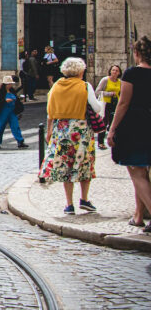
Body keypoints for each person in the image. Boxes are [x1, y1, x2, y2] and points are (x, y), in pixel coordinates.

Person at [40, 57, 102, 215]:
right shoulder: (85, 86)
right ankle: (84, 199)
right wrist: (102, 103)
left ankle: (69, 204)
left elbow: (50, 112)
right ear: (81, 71)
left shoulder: (56, 86)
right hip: (81, 131)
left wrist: (49, 132)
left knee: (65, 166)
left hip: (62, 130)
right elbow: (95, 108)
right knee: (84, 164)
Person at [107, 37, 151, 233]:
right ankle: (138, 216)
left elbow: (123, 103)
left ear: (137, 53)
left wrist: (112, 129)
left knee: (137, 172)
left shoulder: (132, 73)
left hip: (136, 126)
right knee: (141, 173)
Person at [0, 75, 28, 149]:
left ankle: (20, 141)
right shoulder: (1, 91)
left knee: (15, 125)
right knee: (1, 126)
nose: (10, 85)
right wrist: (5, 101)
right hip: (3, 111)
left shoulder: (12, 90)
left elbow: (17, 100)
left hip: (12, 111)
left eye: (10, 84)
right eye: (9, 84)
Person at [95, 65, 122, 150]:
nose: (114, 72)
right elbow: (97, 92)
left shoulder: (120, 82)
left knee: (114, 123)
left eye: (116, 70)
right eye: (113, 70)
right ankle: (101, 142)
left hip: (115, 103)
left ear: (119, 73)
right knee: (104, 122)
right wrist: (109, 94)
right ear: (110, 71)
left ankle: (113, 141)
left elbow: (121, 93)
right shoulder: (105, 80)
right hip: (106, 104)